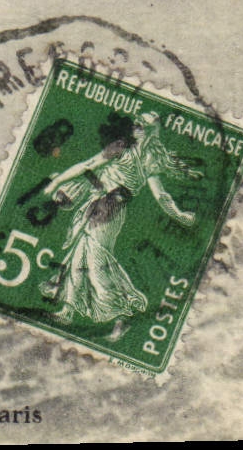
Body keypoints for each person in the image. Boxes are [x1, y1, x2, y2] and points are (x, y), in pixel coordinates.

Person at [36, 111, 201, 338]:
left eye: (142, 126)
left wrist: (179, 215)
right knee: (80, 255)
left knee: (95, 260)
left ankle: (122, 314)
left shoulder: (150, 160)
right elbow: (89, 164)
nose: (136, 128)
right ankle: (68, 310)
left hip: (111, 210)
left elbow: (160, 195)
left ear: (152, 132)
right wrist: (57, 181)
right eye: (136, 124)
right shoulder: (121, 146)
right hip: (95, 204)